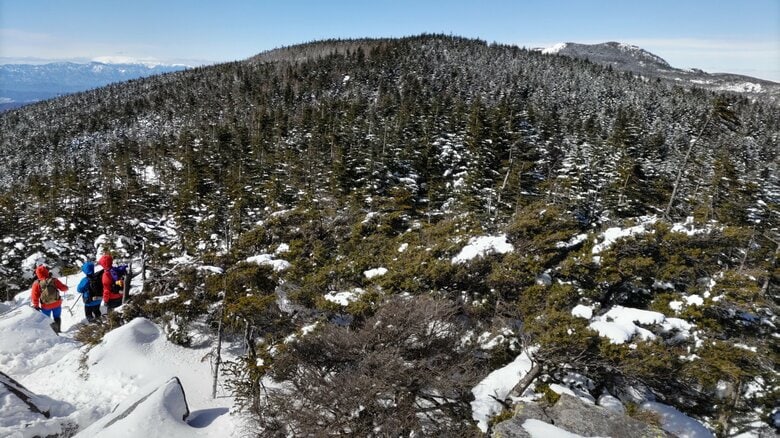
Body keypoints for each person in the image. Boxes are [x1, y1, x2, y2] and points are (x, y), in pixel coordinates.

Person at [30, 265, 69, 334]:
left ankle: (52, 333)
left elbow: (34, 296)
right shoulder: (54, 280)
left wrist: (36, 305)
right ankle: (58, 330)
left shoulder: (36, 284)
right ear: (46, 272)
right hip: (57, 303)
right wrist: (66, 287)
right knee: (57, 317)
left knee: (47, 319)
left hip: (46, 305)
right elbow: (63, 288)